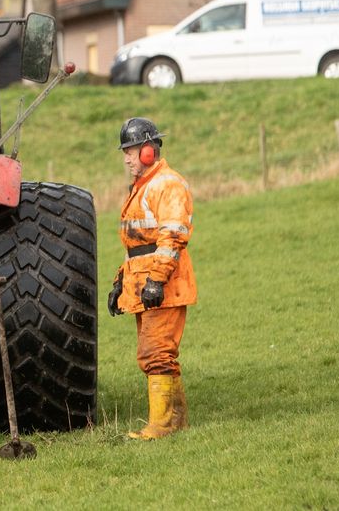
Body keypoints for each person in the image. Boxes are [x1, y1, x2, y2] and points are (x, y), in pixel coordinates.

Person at [107, 118, 197, 440]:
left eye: (131, 151)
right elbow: (136, 245)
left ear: (149, 150)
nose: (127, 158)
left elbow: (172, 237)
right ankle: (176, 420)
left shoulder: (167, 184)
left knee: (155, 352)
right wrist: (121, 282)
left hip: (163, 286)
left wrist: (157, 280)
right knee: (158, 353)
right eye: (125, 153)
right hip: (144, 285)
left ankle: (160, 425)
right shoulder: (143, 186)